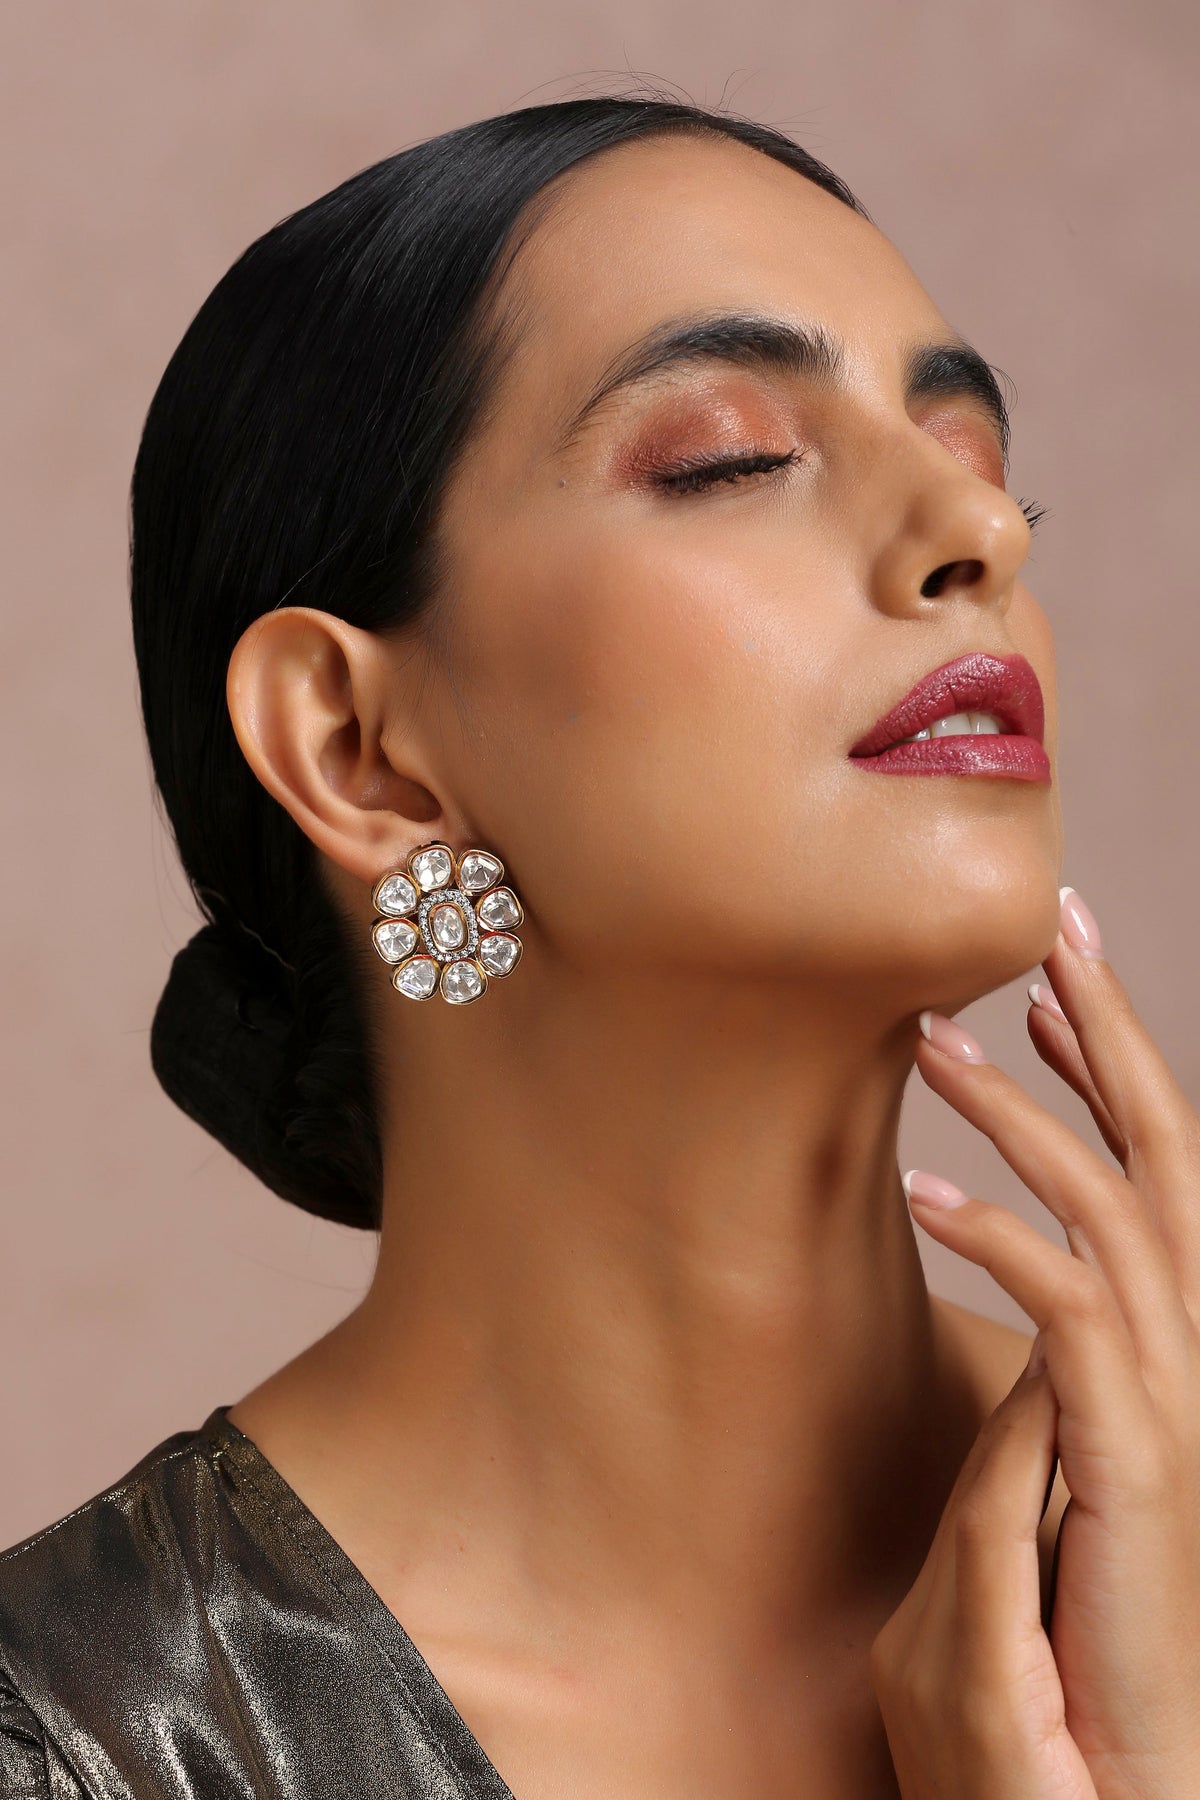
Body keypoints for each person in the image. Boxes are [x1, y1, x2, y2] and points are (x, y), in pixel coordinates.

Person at [2, 90, 1197, 1799]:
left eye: (979, 460)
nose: (982, 534)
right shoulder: (93, 1738)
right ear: (357, 747)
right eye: (730, 460)